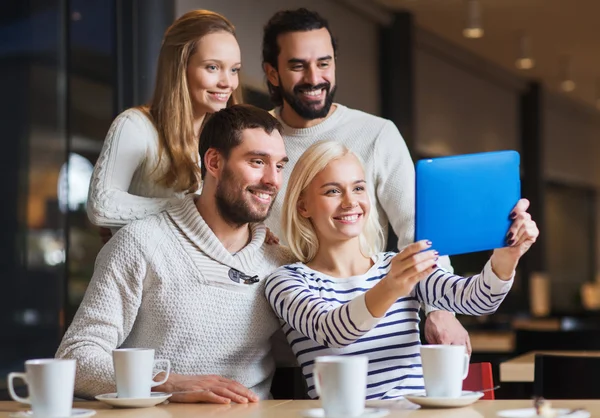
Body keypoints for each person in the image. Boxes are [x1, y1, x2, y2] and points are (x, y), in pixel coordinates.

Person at [265, 140, 539, 400]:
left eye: (358, 188)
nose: (350, 202)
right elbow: (334, 331)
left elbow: (478, 300)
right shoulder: (285, 282)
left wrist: (506, 258)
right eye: (333, 191)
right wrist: (391, 286)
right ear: (303, 206)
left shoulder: (394, 265)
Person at [261, 8, 469, 349]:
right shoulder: (258, 141)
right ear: (272, 73)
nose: (315, 77)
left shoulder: (376, 134)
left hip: (369, 339)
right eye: (298, 65)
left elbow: (418, 227)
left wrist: (440, 309)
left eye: (324, 63)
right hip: (273, 340)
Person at [57, 105, 294, 404]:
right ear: (214, 162)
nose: (273, 180)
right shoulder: (140, 243)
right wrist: (167, 383)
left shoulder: (281, 262)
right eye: (257, 161)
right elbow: (75, 359)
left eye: (280, 165)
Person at [87, 10, 241, 236]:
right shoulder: (135, 126)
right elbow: (101, 205)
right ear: (179, 68)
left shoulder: (228, 137)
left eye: (234, 69)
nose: (227, 82)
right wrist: (194, 208)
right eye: (212, 67)